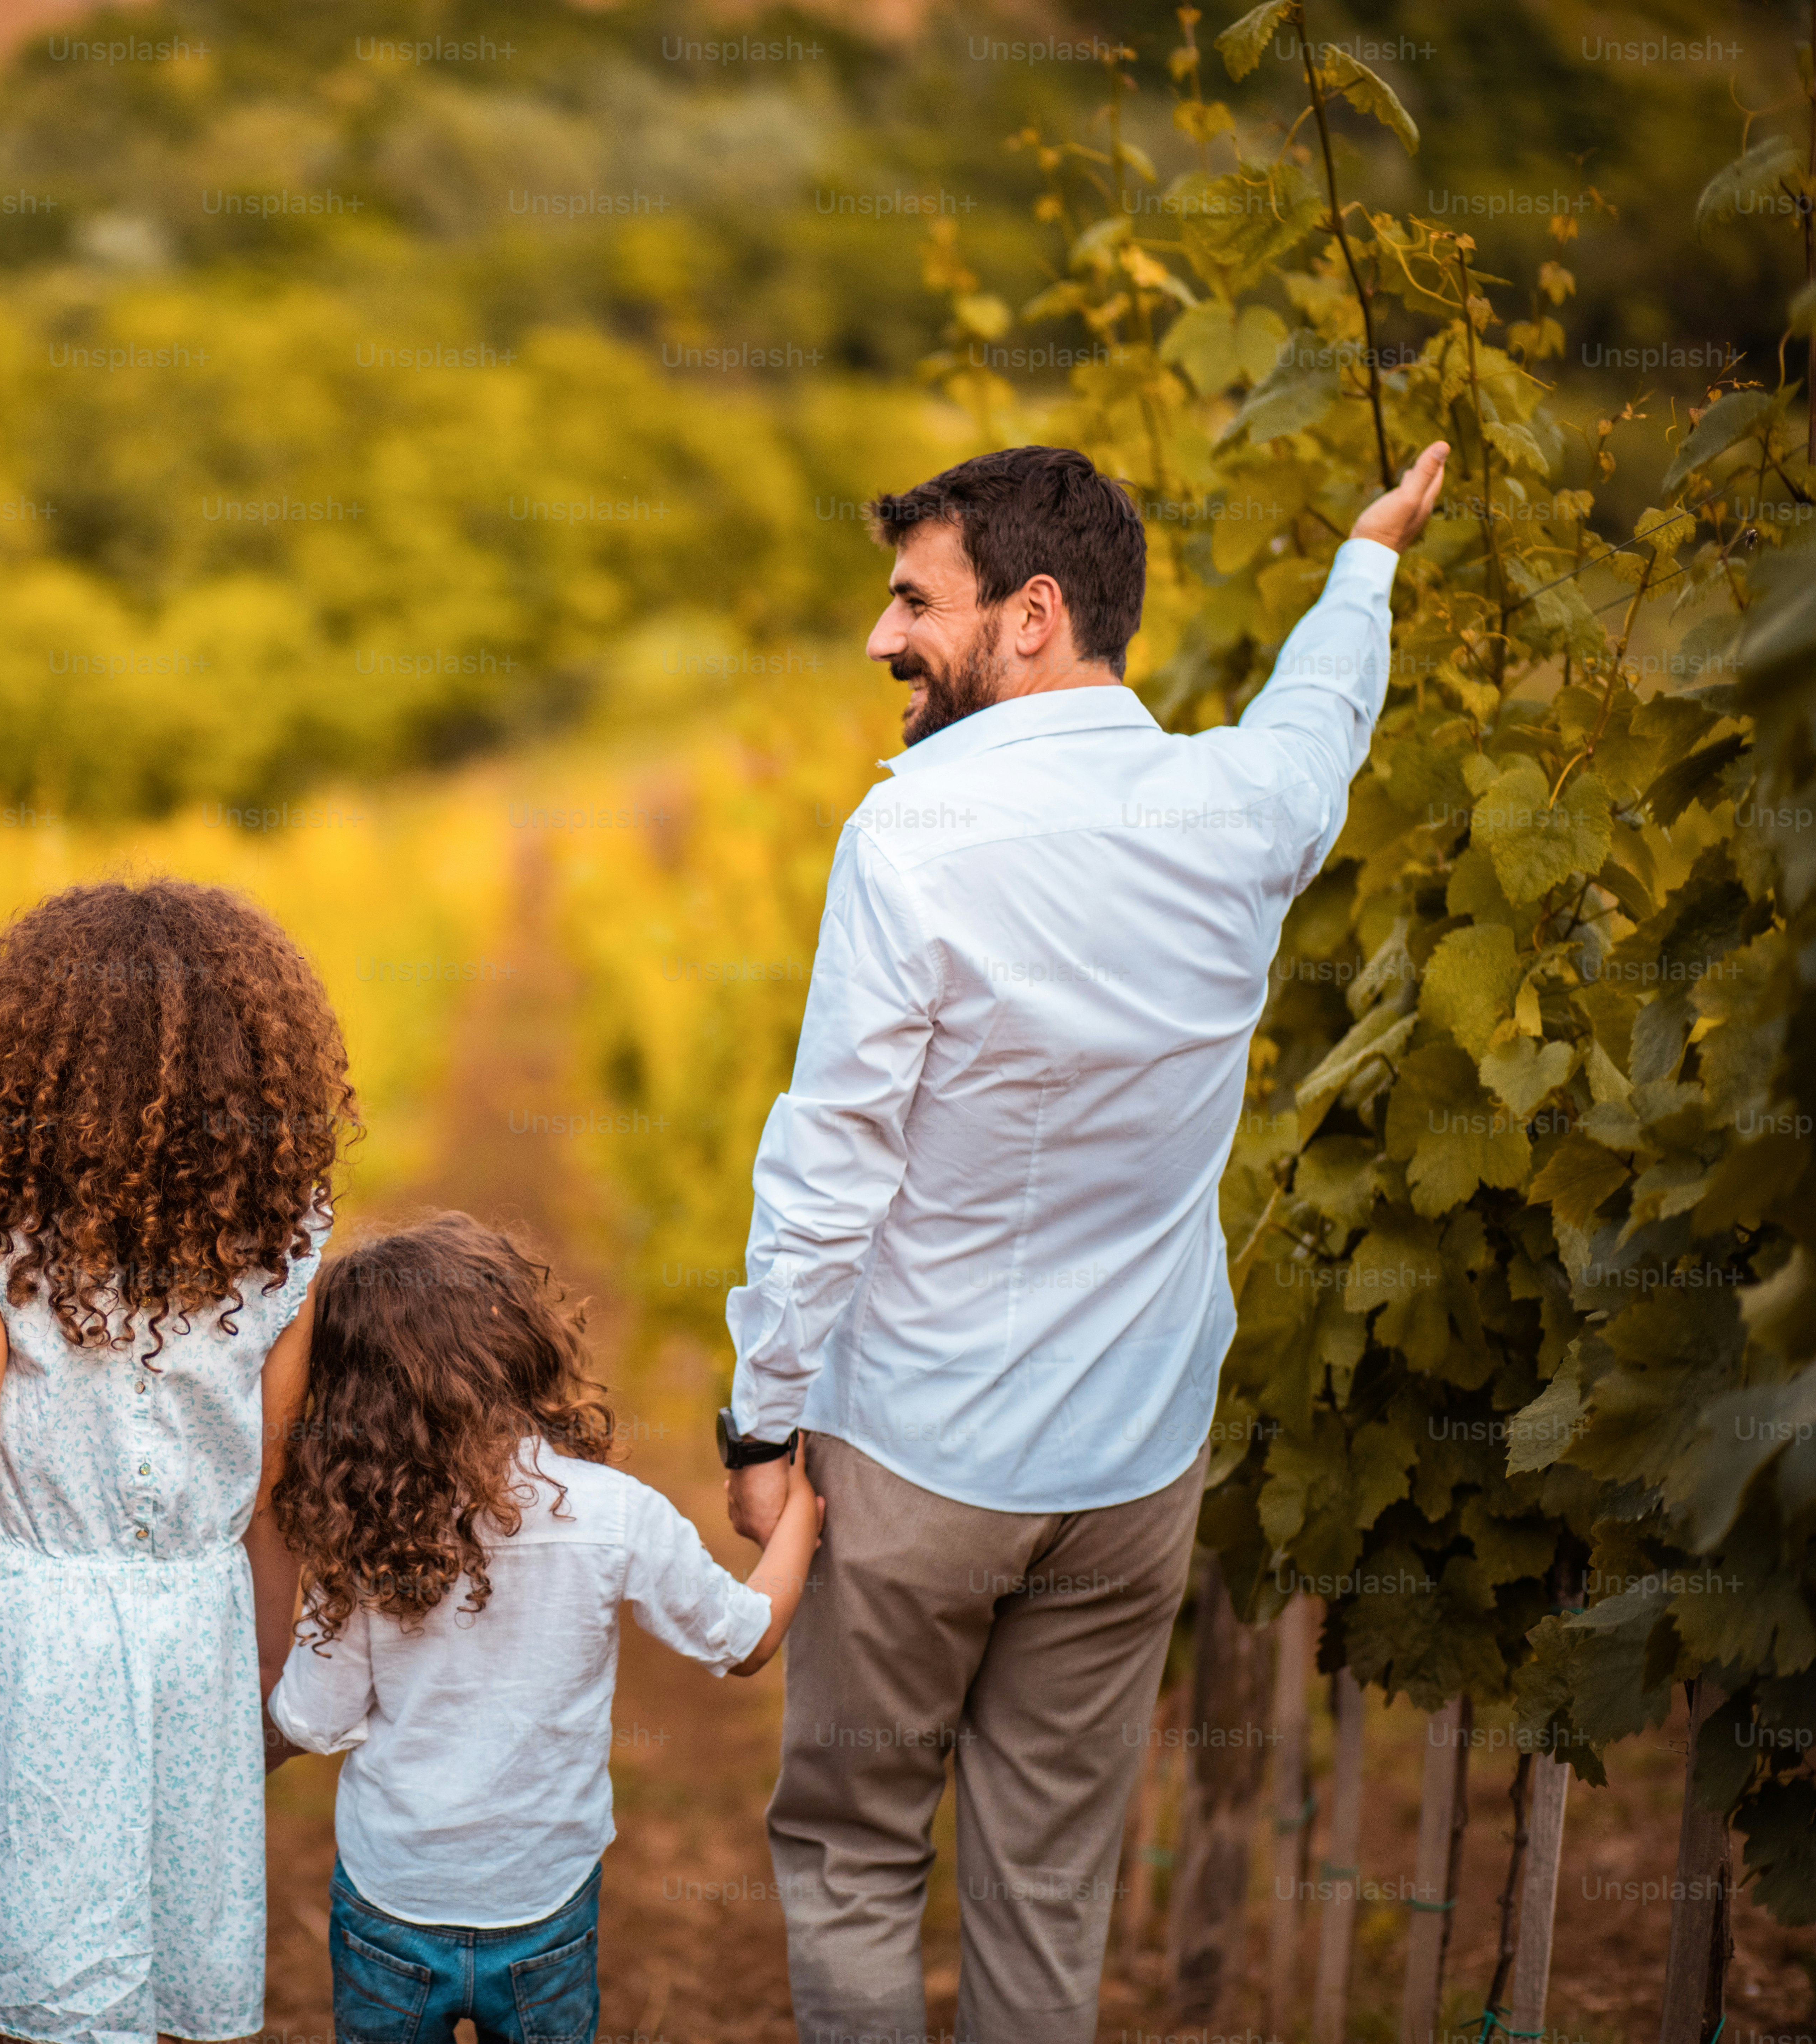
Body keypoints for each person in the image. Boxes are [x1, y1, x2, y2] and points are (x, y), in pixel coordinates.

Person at [715, 440, 1452, 2044]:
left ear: (1030, 613)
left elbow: (829, 1160)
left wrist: (759, 1415)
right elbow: (1316, 725)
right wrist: (1362, 565)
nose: (878, 636)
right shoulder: (1235, 808)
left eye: (913, 600)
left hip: (915, 1455)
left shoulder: (907, 842)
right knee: (1047, 1890)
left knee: (848, 1853)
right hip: (1129, 1474)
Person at [0, 878, 353, 2044]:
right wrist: (273, 1670)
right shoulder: (285, 1242)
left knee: (42, 1967)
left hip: (34, 1630)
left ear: (29, 1069)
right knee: (165, 1956)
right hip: (197, 1626)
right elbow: (269, 1492)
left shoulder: (3, 1231)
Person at [265, 1214, 820, 2044]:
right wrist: (799, 1518)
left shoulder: (363, 1534)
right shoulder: (614, 1513)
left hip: (391, 1903)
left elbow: (312, 1716)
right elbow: (745, 1640)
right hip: (544, 1906)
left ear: (347, 1390)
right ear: (519, 1339)